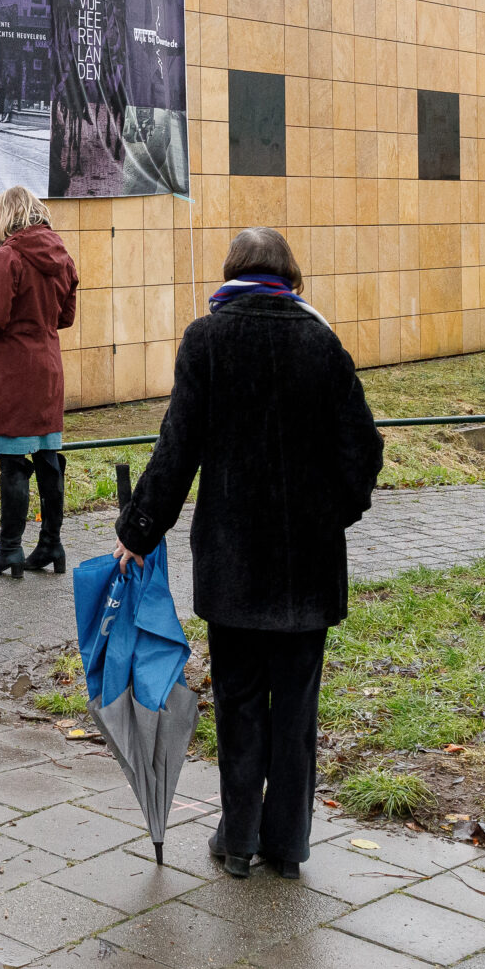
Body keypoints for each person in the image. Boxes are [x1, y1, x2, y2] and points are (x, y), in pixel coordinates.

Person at [112, 228, 382, 881]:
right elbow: (364, 452)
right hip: (307, 567)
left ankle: (237, 840)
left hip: (231, 561)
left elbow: (177, 449)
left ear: (232, 272)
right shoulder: (322, 341)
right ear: (291, 272)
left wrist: (137, 530)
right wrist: (329, 516)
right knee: (295, 709)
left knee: (236, 702)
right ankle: (286, 845)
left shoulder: (207, 340)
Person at [0, 185, 79, 577]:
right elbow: (65, 318)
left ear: (7, 216)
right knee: (47, 457)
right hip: (47, 368)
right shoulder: (62, 257)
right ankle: (51, 545)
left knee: (12, 461)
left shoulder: (7, 257)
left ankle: (9, 550)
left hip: (11, 371)